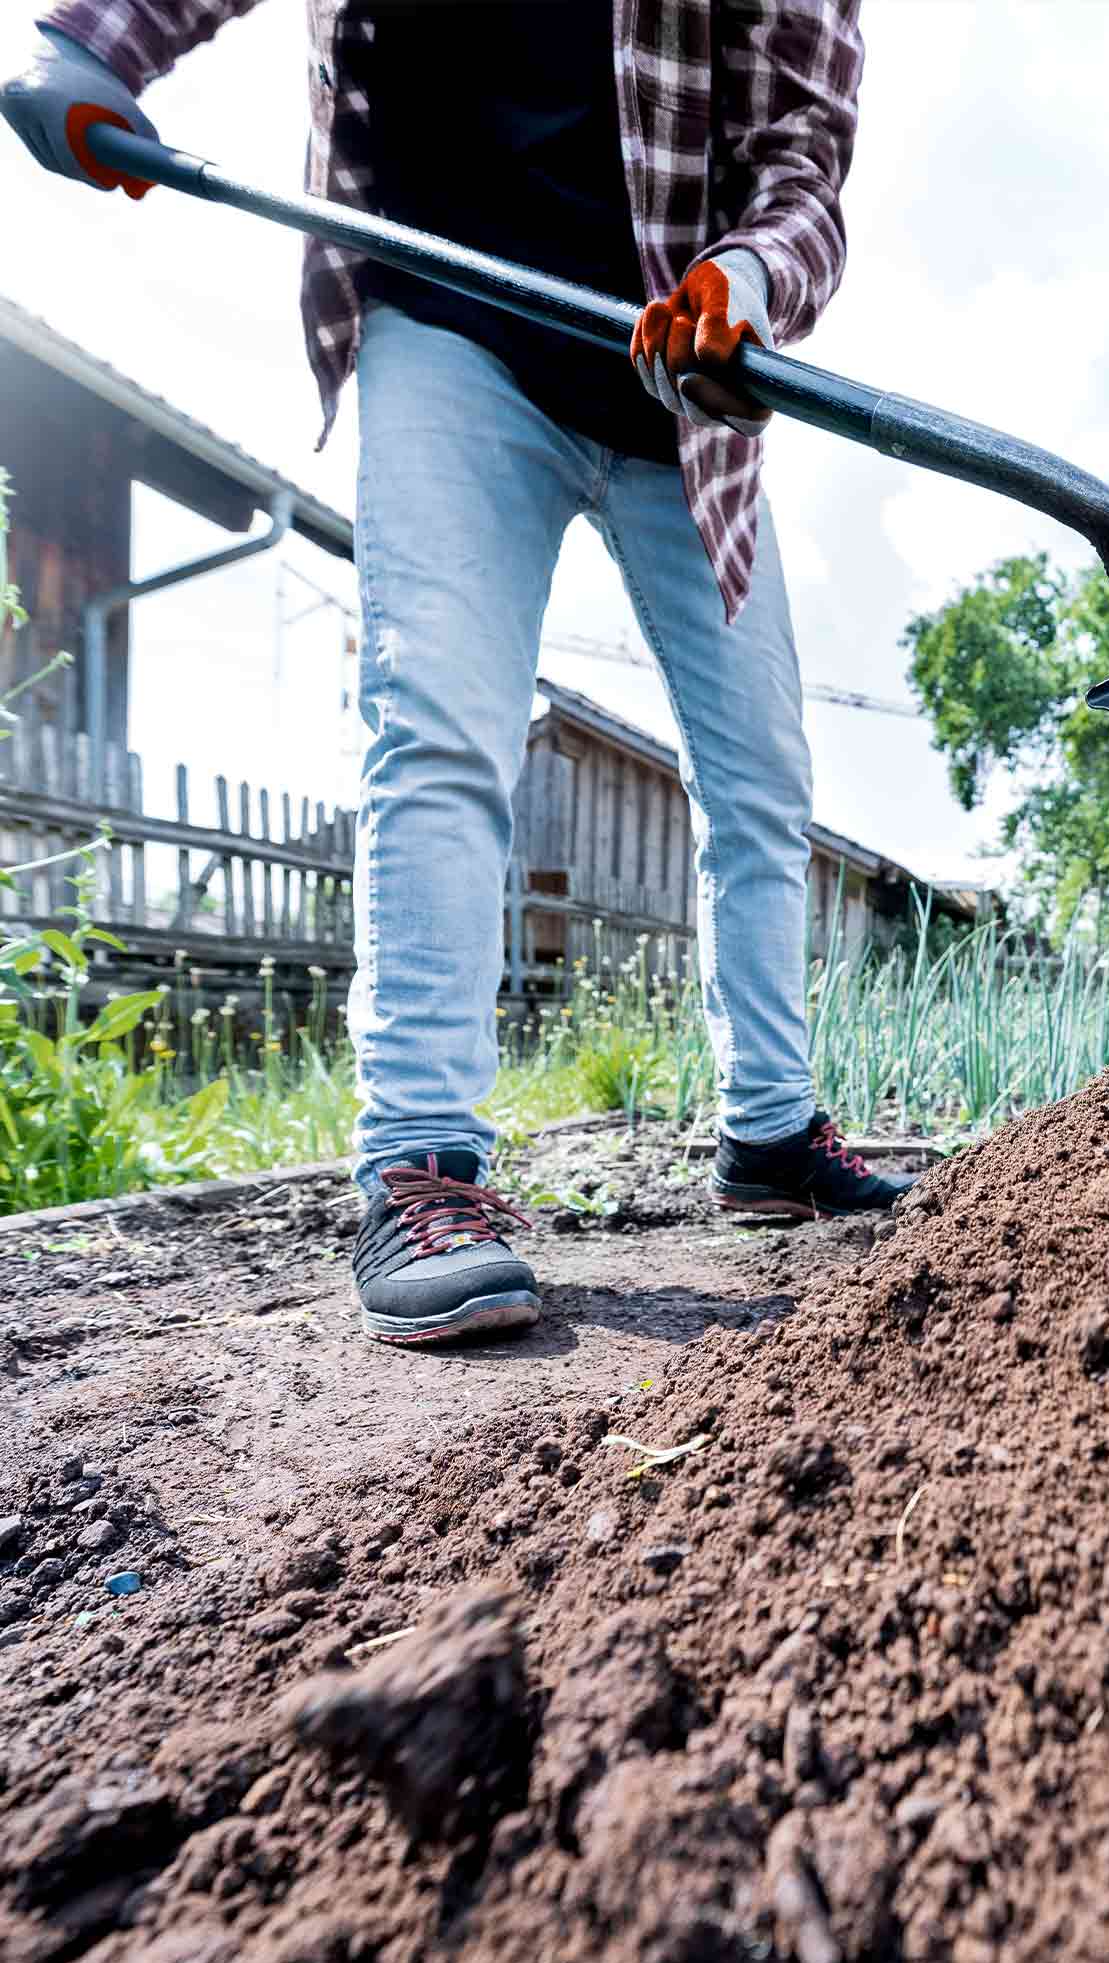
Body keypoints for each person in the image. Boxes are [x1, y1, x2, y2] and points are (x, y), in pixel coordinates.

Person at [3, 0, 912, 1350]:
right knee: (439, 724)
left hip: (679, 386)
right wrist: (94, 47)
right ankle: (422, 1162)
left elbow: (803, 158)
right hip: (451, 318)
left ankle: (770, 1134)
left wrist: (755, 281)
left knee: (764, 776)